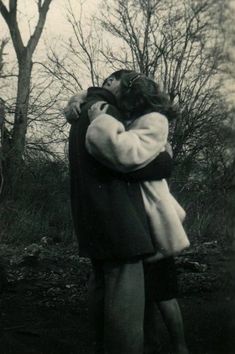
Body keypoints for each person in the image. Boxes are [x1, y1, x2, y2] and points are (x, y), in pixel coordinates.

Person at [66, 70, 189, 354]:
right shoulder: (112, 112)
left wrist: (164, 162)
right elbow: (121, 155)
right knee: (134, 300)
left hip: (132, 218)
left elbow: (126, 156)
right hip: (128, 220)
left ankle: (172, 346)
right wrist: (165, 162)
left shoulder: (146, 119)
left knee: (150, 292)